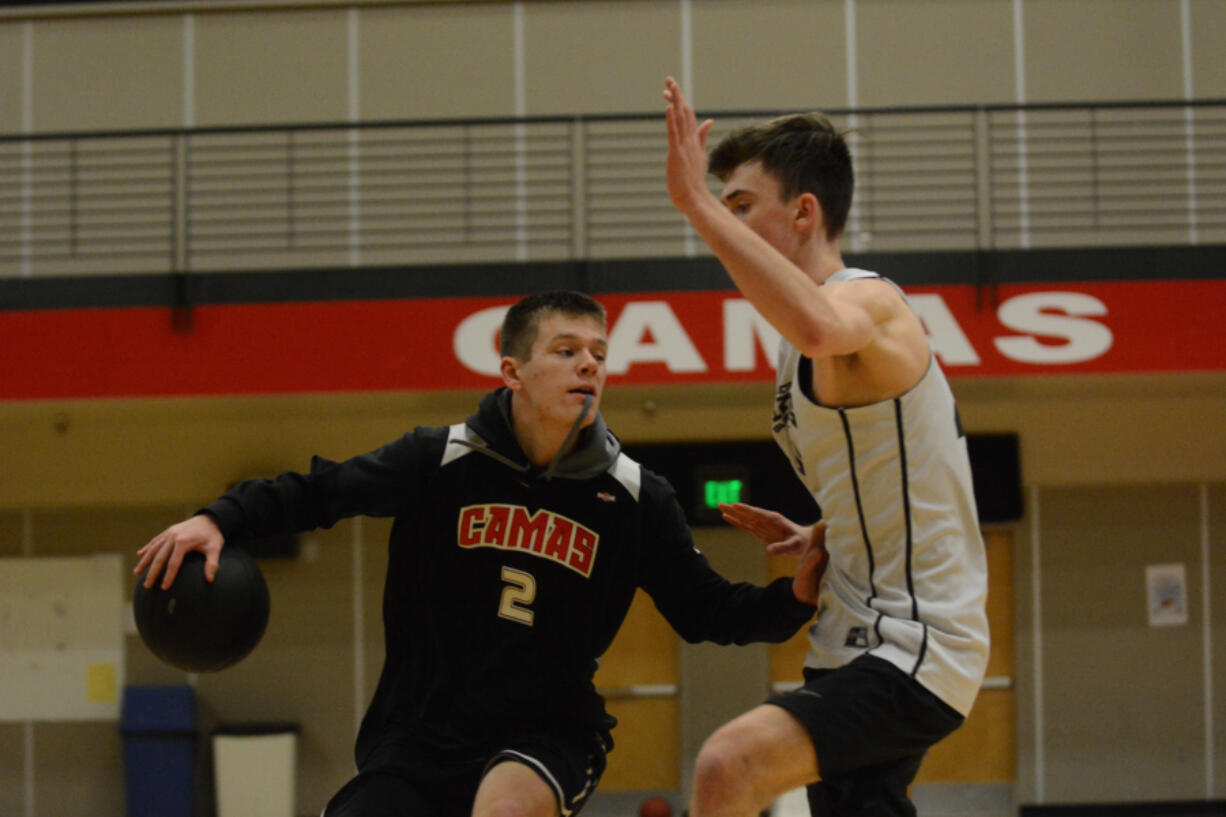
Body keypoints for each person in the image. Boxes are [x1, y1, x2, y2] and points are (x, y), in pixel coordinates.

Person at [135, 290, 827, 817]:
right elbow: (321, 492)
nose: (588, 362)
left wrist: (791, 597)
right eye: (564, 350)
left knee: (503, 808)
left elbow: (705, 608)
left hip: (549, 733)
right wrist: (216, 518)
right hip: (420, 732)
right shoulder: (439, 459)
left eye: (598, 352)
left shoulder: (637, 496)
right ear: (512, 371)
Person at [662, 77, 990, 817]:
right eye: (727, 207)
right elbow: (904, 466)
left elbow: (821, 327)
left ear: (805, 212)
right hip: (852, 637)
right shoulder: (795, 344)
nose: (730, 223)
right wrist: (830, 529)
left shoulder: (867, 299)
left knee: (726, 766)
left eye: (744, 206)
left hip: (915, 641)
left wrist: (697, 205)